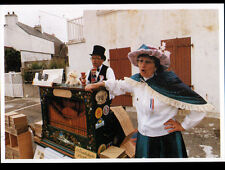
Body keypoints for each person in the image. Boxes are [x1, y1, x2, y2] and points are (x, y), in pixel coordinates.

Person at [85, 44, 215, 158]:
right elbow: (118, 84)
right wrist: (97, 85)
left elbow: (200, 106)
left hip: (166, 139)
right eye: (140, 61)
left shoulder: (168, 83)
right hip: (144, 138)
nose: (142, 65)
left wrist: (184, 125)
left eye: (147, 62)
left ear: (156, 66)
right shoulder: (137, 81)